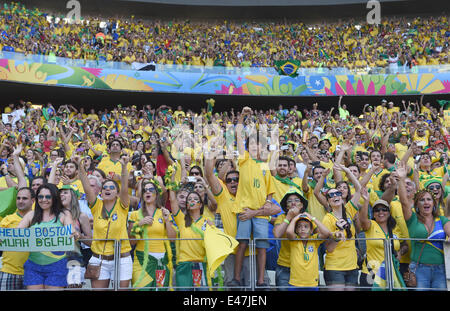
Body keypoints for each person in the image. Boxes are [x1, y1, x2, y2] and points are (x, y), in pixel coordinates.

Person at [230, 106, 275, 289]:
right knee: (242, 244)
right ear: (249, 147)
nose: (256, 147)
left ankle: (261, 280)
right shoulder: (244, 159)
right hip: (244, 209)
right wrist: (241, 117)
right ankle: (236, 278)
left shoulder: (265, 166)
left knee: (262, 246)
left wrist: (267, 202)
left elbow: (270, 192)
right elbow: (239, 136)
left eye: (260, 145)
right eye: (253, 144)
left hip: (261, 213)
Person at [78, 155, 133, 289]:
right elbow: (86, 187)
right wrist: (80, 166)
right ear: (101, 193)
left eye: (111, 188)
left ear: (117, 193)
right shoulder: (96, 205)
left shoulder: (122, 205)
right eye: (105, 188)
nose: (108, 189)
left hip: (122, 258)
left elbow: (125, 187)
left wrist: (124, 166)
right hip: (99, 259)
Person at [397, 161, 450, 290]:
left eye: (429, 199)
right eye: (422, 200)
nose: (426, 202)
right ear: (417, 205)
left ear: (433, 203)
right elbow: (404, 201)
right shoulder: (412, 219)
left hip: (441, 269)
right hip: (419, 269)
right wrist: (401, 179)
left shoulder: (442, 219)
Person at [17, 183, 78, 290]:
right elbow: (17, 233)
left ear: (54, 198)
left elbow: (70, 229)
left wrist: (74, 233)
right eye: (40, 196)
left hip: (57, 265)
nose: (43, 199)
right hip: (33, 265)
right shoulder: (31, 214)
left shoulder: (64, 214)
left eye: (48, 196)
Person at [129, 180, 176, 290]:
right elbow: (131, 241)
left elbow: (173, 239)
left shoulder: (164, 212)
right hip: (141, 260)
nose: (147, 192)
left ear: (156, 193)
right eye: (145, 190)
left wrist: (167, 220)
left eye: (151, 190)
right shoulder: (135, 214)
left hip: (161, 260)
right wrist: (140, 224)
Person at [358, 190, 405, 290]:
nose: (381, 212)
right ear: (373, 214)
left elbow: (400, 247)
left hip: (390, 274)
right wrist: (366, 201)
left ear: (389, 213)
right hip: (371, 274)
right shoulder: (370, 225)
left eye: (384, 209)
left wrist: (399, 255)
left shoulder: (394, 228)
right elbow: (362, 219)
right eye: (377, 210)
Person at [169, 188, 213, 290]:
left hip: (200, 264)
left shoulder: (207, 221)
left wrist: (212, 228)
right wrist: (171, 178)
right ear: (187, 205)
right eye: (190, 199)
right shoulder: (181, 219)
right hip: (184, 264)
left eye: (195, 199)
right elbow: (172, 200)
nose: (192, 200)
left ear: (201, 204)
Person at [286, 212, 333, 290]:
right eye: (299, 227)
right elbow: (288, 232)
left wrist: (313, 218)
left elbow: (326, 233)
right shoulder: (294, 239)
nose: (302, 229)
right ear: (296, 230)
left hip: (312, 283)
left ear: (311, 230)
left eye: (306, 226)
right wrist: (294, 219)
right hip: (295, 283)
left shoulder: (314, 240)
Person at [273, 188, 308, 290]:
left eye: (297, 200)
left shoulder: (307, 218)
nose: (293, 203)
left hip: (304, 266)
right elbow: (277, 234)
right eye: (289, 201)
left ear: (301, 205)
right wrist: (288, 217)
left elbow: (320, 234)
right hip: (284, 265)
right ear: (286, 206)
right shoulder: (282, 218)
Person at [0, 187, 34, 290]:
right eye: (18, 198)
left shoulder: (40, 220)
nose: (20, 201)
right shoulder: (7, 219)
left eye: (24, 198)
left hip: (34, 274)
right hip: (9, 271)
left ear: (33, 201)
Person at [59, 184, 92, 288]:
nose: (61, 195)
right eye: (59, 193)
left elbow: (91, 242)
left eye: (65, 192)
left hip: (74, 258)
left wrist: (79, 236)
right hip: (54, 259)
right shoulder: (52, 215)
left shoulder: (81, 216)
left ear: (73, 196)